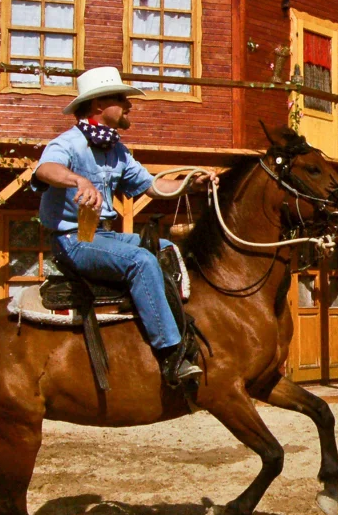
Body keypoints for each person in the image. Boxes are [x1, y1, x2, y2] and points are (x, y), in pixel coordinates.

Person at [34, 66, 212, 388]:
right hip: (73, 239)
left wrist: (191, 184)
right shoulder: (69, 143)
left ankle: (159, 322)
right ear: (99, 105)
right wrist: (78, 179)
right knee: (141, 260)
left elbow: (154, 187)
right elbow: (45, 169)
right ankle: (171, 354)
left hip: (101, 235)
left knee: (167, 248)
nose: (130, 106)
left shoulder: (117, 150)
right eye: (123, 99)